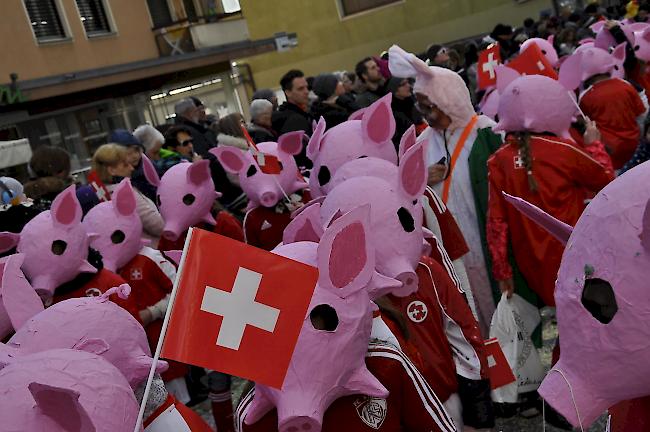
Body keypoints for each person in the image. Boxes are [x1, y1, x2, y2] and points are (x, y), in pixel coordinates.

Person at [389, 44, 503, 336]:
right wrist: (421, 178)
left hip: (483, 236)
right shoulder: (422, 141)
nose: (428, 115)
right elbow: (403, 191)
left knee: (496, 298)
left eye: (432, 107)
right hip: (449, 243)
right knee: (466, 300)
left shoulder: (486, 133)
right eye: (422, 108)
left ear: (450, 99)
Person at [92, 144, 164, 246]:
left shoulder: (103, 194)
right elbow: (157, 225)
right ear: (112, 170)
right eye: (125, 165)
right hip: (151, 252)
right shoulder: (125, 194)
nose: (132, 168)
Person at [175, 97, 242, 206]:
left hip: (219, 182)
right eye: (195, 110)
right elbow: (205, 155)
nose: (198, 112)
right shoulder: (188, 132)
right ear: (189, 112)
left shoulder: (197, 128)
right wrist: (221, 159)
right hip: (218, 184)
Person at [271, 69, 313, 167]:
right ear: (288, 93)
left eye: (307, 87)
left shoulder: (300, 114)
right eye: (300, 89)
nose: (306, 92)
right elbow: (300, 157)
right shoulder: (294, 120)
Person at [109, 129, 157, 202]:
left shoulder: (148, 167)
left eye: (136, 151)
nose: (134, 156)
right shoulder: (115, 176)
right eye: (128, 153)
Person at [386, 77, 424, 148]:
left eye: (407, 82)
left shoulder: (411, 102)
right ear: (395, 91)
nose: (408, 86)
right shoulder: (393, 112)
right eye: (403, 84)